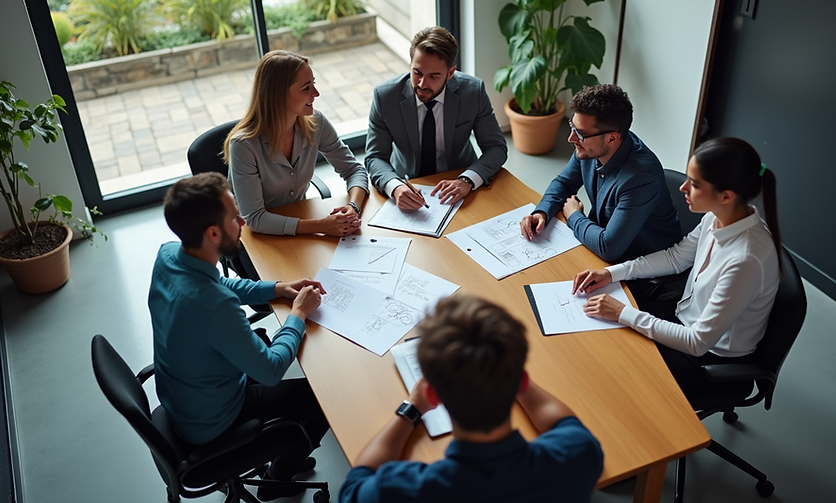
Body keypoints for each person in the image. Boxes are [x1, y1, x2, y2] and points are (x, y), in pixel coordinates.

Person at [149, 172, 330, 501]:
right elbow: (271, 371)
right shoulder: (215, 307)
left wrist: (277, 288)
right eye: (235, 216)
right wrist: (299, 314)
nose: (243, 220)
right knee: (324, 397)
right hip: (214, 421)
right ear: (214, 232)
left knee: (260, 340)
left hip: (183, 396)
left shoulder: (169, 255)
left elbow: (218, 283)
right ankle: (278, 476)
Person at [572, 137, 782, 402]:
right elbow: (675, 258)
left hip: (709, 358)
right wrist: (613, 272)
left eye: (694, 184)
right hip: (681, 317)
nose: (683, 187)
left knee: (617, 377)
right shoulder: (716, 217)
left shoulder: (745, 260)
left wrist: (624, 313)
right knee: (599, 338)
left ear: (726, 196)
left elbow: (697, 343)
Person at [339, 294, 603, 503]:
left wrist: (412, 408)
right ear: (521, 381)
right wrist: (507, 373)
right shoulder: (579, 455)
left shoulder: (398, 490)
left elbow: (355, 484)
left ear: (433, 396)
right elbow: (564, 423)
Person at [520, 84, 680, 265]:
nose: (571, 138)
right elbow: (564, 183)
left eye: (580, 134)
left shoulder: (641, 178)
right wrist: (542, 212)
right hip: (598, 243)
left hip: (640, 266)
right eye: (572, 126)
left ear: (612, 138)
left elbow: (609, 248)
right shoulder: (590, 146)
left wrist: (574, 216)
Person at [225, 49, 369, 236]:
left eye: (313, 84)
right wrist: (321, 226)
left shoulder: (316, 122)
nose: (316, 93)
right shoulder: (243, 146)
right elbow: (255, 218)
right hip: (252, 237)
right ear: (278, 95)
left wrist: (353, 207)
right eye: (306, 87)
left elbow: (354, 170)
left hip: (299, 224)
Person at [365, 26, 508, 210]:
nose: (423, 84)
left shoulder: (473, 92)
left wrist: (467, 180)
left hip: (459, 182)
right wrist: (395, 186)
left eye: (433, 76)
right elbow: (375, 156)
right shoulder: (385, 97)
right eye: (417, 73)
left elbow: (496, 148)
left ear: (450, 73)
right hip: (409, 182)